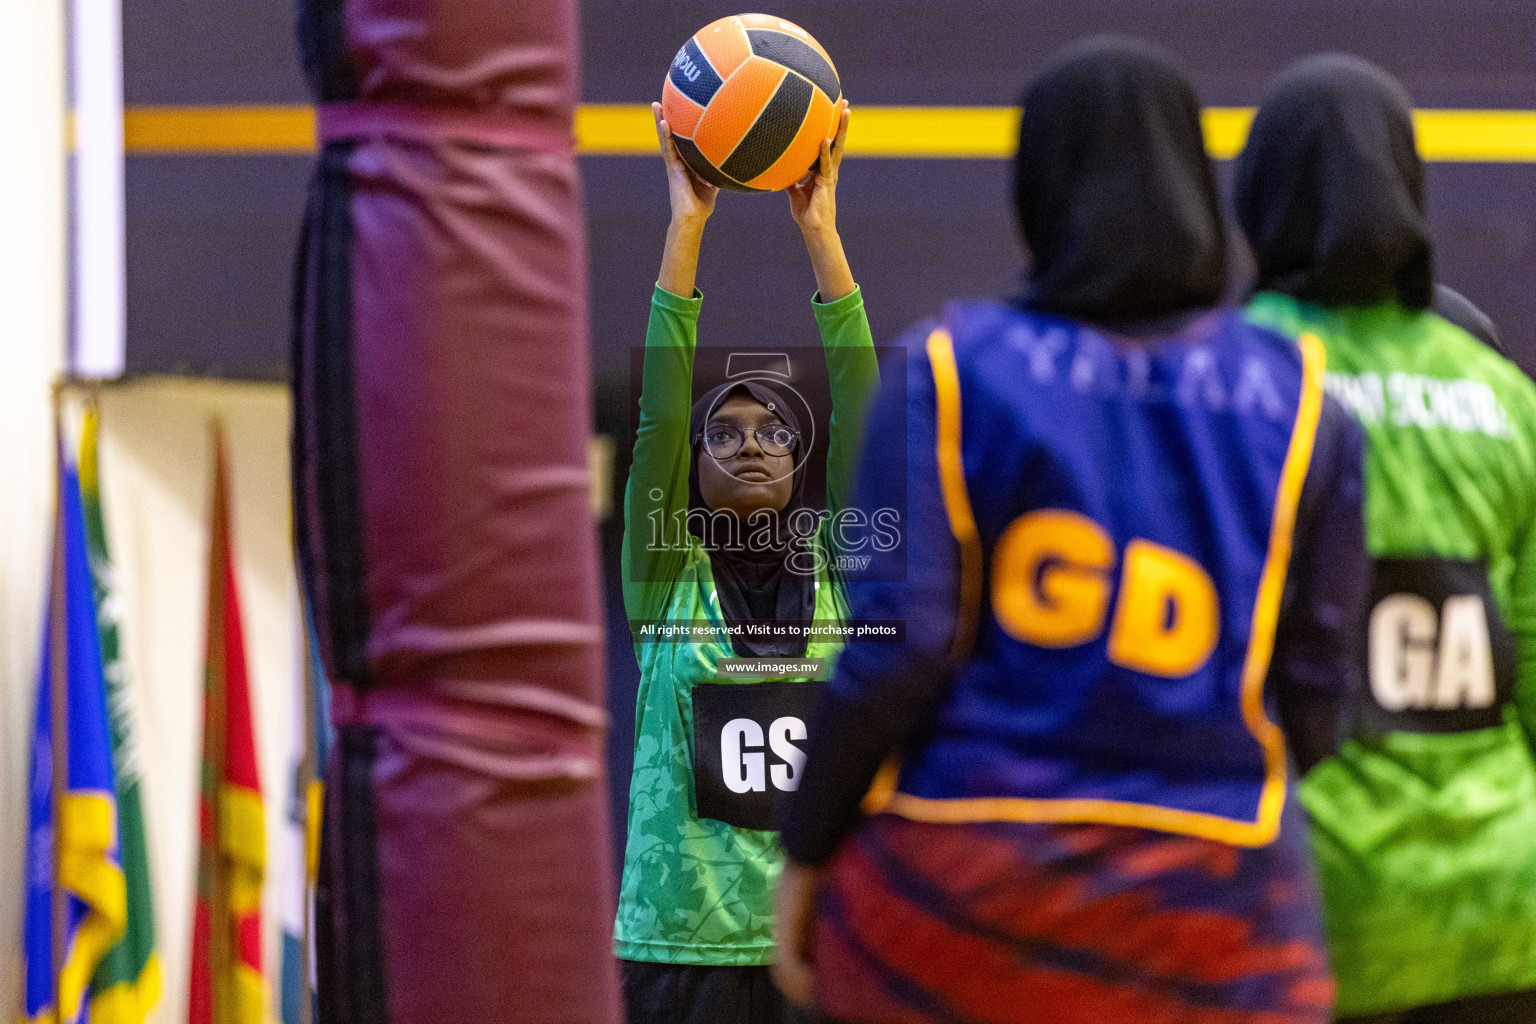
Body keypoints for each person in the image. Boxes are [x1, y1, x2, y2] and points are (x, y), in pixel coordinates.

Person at [771, 37, 1371, 1024]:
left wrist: (806, 846)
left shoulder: (948, 368)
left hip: (963, 891)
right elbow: (1316, 698)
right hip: (1220, 913)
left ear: (1038, 190)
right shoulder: (1307, 402)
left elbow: (897, 651)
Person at [1236, 55, 1536, 1024]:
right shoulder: (1504, 396)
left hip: (1301, 907)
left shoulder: (1220, 379)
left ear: (1260, 192)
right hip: (1502, 905)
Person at [616, 100, 879, 1024]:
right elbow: (656, 413)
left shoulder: (844, 572)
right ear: (690, 474)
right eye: (724, 433)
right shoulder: (664, 581)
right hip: (676, 953)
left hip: (816, 947)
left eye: (774, 431)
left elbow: (862, 408)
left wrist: (823, 234)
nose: (754, 443)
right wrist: (688, 225)